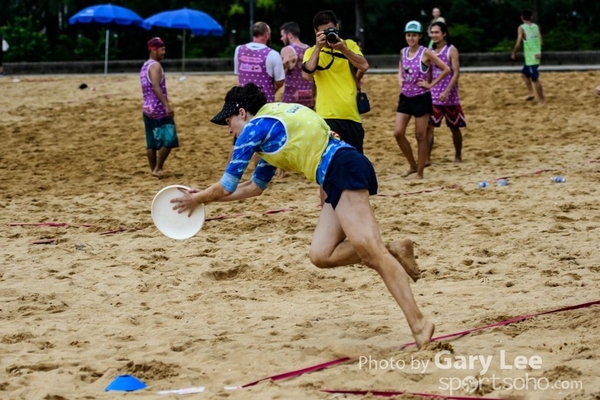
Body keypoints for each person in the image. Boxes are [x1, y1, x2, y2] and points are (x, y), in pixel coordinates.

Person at [171, 83, 435, 349]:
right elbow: (254, 187)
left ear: (241, 112)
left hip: (341, 167)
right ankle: (393, 248)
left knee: (372, 254)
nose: (229, 130)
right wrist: (204, 197)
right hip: (337, 170)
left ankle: (419, 324)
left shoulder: (253, 128)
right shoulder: (272, 124)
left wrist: (197, 198)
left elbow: (226, 185)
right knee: (321, 254)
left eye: (228, 122)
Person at [302, 10, 368, 154]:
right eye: (323, 32)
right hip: (326, 116)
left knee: (354, 160)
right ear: (316, 33)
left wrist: (343, 49)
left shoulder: (349, 45)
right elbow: (307, 75)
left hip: (351, 114)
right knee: (329, 160)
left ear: (337, 27)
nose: (328, 35)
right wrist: (318, 48)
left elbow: (364, 66)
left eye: (331, 30)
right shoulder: (311, 52)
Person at [394, 21, 450, 179]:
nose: (411, 38)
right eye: (408, 35)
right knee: (398, 133)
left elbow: (446, 69)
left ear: (420, 36)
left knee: (420, 135)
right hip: (405, 96)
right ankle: (412, 165)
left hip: (421, 97)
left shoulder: (426, 52)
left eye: (414, 35)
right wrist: (399, 78)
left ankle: (420, 171)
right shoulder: (403, 51)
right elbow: (401, 66)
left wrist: (430, 85)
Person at [426, 22, 466, 164]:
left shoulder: (451, 50)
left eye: (437, 32)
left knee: (454, 127)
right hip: (433, 95)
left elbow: (456, 73)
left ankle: (458, 155)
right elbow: (429, 72)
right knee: (429, 127)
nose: (434, 35)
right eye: (432, 32)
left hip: (450, 96)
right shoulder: (429, 51)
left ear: (444, 34)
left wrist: (447, 91)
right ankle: (427, 158)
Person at [140, 37, 179, 178]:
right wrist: (166, 105)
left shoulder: (145, 66)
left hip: (147, 108)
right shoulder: (155, 66)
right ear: (153, 50)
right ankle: (158, 168)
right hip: (158, 109)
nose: (164, 52)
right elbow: (156, 87)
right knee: (169, 139)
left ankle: (153, 169)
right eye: (162, 49)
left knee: (151, 143)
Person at [234, 21, 285, 102]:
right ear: (266, 34)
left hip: (244, 101)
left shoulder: (239, 49)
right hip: (264, 101)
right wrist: (272, 90)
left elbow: (238, 74)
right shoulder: (273, 54)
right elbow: (280, 81)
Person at [511, 9, 545, 104]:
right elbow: (541, 42)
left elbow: (518, 43)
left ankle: (541, 99)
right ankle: (531, 93)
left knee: (535, 79)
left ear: (521, 17)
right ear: (531, 17)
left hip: (530, 57)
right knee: (524, 74)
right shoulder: (536, 27)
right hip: (537, 54)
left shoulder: (521, 28)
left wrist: (514, 53)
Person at [280, 21, 314, 108]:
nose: (281, 38)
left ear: (289, 35)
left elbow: (281, 75)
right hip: (308, 97)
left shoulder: (287, 50)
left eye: (282, 35)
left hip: (291, 98)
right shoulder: (309, 49)